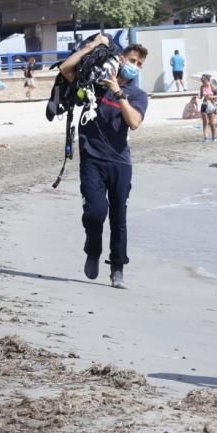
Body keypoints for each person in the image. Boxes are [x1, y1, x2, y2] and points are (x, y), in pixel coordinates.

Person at [59, 35, 148, 290]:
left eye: (140, 64)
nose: (135, 66)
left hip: (120, 163)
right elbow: (66, 69)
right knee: (96, 212)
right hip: (92, 159)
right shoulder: (93, 84)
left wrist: (119, 93)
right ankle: (92, 249)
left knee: (119, 217)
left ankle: (117, 269)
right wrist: (92, 45)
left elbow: (134, 123)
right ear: (120, 59)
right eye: (132, 60)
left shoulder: (137, 94)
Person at [199, 74, 217, 142]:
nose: (202, 82)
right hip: (204, 104)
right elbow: (201, 96)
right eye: (202, 80)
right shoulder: (202, 87)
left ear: (207, 80)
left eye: (203, 80)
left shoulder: (212, 86)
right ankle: (205, 137)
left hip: (211, 104)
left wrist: (211, 97)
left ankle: (214, 136)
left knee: (211, 123)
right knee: (204, 122)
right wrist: (200, 96)